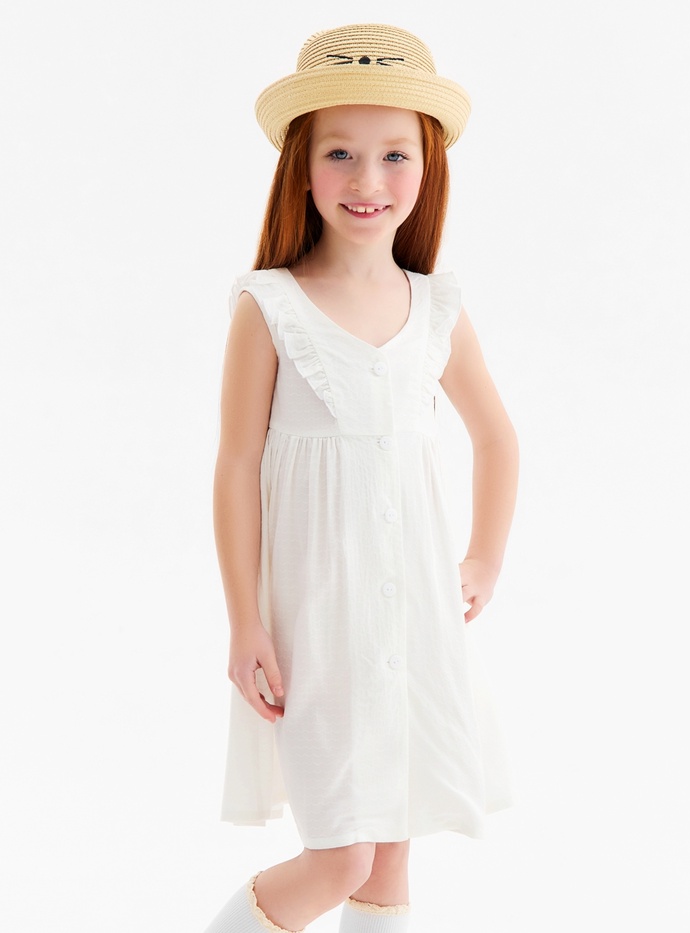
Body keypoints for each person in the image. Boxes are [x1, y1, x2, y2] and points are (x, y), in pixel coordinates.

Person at [208, 22, 519, 933]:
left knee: (390, 853)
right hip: (318, 624)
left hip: (413, 621)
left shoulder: (436, 308)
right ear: (302, 169)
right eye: (339, 153)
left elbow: (498, 437)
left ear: (427, 168)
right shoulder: (270, 306)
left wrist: (483, 559)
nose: (367, 180)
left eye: (394, 155)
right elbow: (235, 464)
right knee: (339, 852)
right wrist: (244, 618)